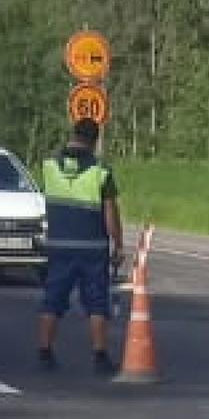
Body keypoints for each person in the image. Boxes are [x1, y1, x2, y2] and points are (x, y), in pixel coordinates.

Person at [36, 118, 124, 371]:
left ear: (73, 134)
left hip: (59, 245)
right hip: (92, 248)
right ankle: (100, 356)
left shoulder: (50, 167)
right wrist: (118, 245)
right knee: (96, 302)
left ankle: (44, 352)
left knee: (53, 299)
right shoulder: (100, 172)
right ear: (95, 141)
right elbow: (110, 213)